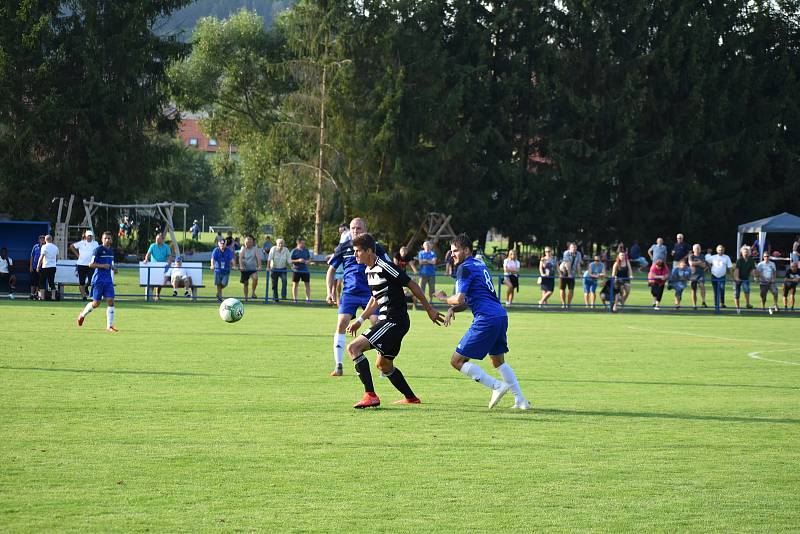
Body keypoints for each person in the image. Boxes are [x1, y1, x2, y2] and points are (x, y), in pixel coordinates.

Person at [345, 233, 444, 408]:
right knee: (383, 365)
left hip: (394, 320)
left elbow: (411, 284)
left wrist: (429, 309)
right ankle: (411, 398)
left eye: (358, 251)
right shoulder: (369, 270)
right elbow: (376, 298)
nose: (355, 255)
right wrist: (360, 319)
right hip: (391, 321)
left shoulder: (384, 266)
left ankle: (370, 395)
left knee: (353, 348)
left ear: (368, 251)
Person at [434, 234, 530, 410]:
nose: (452, 254)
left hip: (486, 318)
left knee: (456, 361)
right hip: (500, 315)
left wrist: (444, 299)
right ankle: (521, 400)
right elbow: (469, 300)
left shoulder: (464, 268)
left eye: (456, 251)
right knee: (498, 361)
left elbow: (459, 298)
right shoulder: (479, 264)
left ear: (467, 250)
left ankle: (497, 386)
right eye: (451, 251)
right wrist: (453, 308)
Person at [326, 218, 391, 377]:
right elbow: (331, 270)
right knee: (341, 322)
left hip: (371, 292)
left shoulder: (375, 247)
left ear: (365, 229)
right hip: (349, 293)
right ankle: (339, 366)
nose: (356, 231)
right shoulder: (343, 248)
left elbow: (389, 266)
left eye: (359, 228)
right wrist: (329, 292)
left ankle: (382, 365)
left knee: (378, 323)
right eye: (353, 228)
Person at [76, 231, 118, 332]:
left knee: (111, 301)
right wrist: (102, 266)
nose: (107, 240)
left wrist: (113, 268)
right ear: (102, 240)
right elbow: (91, 264)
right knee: (96, 303)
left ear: (111, 240)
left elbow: (109, 264)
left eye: (109, 238)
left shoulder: (111, 251)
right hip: (98, 280)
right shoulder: (98, 250)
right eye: (105, 238)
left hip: (108, 280)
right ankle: (82, 315)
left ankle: (109, 326)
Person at [143, 232, 176, 301]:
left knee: (160, 281)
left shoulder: (166, 246)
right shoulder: (153, 245)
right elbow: (148, 254)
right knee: (152, 280)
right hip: (153, 266)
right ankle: (150, 297)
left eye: (159, 239)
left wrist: (169, 261)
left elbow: (169, 256)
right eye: (156, 239)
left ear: (162, 240)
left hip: (162, 266)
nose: (157, 240)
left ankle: (157, 295)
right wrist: (146, 259)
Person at [69, 230, 97, 301]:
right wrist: (77, 255)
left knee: (92, 280)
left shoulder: (95, 243)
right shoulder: (81, 243)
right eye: (88, 236)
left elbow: (98, 251)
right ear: (86, 236)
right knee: (82, 281)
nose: (89, 238)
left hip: (91, 265)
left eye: (91, 236)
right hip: (81, 264)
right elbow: (71, 246)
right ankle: (83, 296)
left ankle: (86, 287)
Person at [706, 245, 733, 311]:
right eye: (719, 250)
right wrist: (709, 267)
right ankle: (716, 305)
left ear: (724, 250)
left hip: (722, 276)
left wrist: (732, 276)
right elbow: (707, 260)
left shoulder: (726, 257)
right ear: (716, 250)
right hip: (714, 276)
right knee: (715, 291)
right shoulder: (713, 257)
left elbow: (730, 267)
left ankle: (722, 303)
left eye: (722, 250)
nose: (720, 251)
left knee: (722, 289)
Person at [211, 238, 235, 302]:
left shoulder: (228, 251)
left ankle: (218, 292)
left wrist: (234, 266)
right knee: (218, 284)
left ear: (225, 244)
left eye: (223, 244)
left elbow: (232, 259)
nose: (222, 245)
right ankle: (220, 298)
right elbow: (213, 259)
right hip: (217, 271)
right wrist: (212, 265)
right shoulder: (216, 250)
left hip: (226, 271)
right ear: (218, 244)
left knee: (224, 284)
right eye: (221, 243)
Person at [559, 242, 582, 309]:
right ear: (570, 248)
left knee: (571, 289)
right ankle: (563, 304)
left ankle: (569, 304)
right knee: (562, 288)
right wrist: (569, 274)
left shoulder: (578, 254)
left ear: (576, 248)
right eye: (572, 247)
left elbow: (578, 264)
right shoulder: (566, 253)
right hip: (564, 271)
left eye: (575, 247)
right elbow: (567, 263)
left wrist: (580, 273)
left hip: (572, 272)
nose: (573, 249)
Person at [36, 234, 59, 301]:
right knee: (51, 282)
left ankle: (42, 297)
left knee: (42, 282)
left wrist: (38, 266)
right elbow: (57, 258)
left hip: (45, 266)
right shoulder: (55, 247)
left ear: (45, 240)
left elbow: (41, 257)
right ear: (51, 240)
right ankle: (53, 297)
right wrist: (54, 263)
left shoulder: (44, 247)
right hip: (53, 267)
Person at [733, 245, 756, 313]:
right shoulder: (739, 260)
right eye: (744, 252)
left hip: (745, 278)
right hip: (737, 278)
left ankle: (747, 304)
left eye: (747, 252)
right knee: (736, 293)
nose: (746, 253)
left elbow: (753, 270)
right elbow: (737, 270)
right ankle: (737, 308)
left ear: (749, 253)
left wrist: (755, 277)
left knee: (746, 289)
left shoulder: (751, 260)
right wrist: (737, 278)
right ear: (741, 253)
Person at [239, 235, 261, 301]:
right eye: (247, 242)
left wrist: (259, 266)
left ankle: (253, 292)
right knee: (246, 283)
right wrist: (241, 266)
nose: (248, 243)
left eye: (250, 241)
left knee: (255, 278)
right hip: (245, 268)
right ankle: (246, 297)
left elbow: (258, 258)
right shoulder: (243, 248)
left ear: (252, 242)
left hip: (252, 268)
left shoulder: (255, 248)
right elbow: (240, 258)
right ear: (245, 242)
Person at [290, 237, 312, 302]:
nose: (303, 245)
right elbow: (290, 260)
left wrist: (308, 261)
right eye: (302, 243)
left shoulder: (306, 250)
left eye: (304, 243)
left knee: (307, 284)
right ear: (298, 243)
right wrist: (298, 260)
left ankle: (308, 299)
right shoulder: (294, 251)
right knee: (295, 284)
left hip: (305, 270)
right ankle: (295, 299)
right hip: (296, 270)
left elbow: (309, 259)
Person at [688, 243, 708, 309]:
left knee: (702, 286)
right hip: (693, 275)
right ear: (693, 249)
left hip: (700, 274)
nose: (697, 249)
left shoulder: (702, 256)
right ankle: (694, 305)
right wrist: (699, 262)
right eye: (696, 248)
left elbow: (704, 265)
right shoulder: (691, 256)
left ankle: (703, 302)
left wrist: (696, 263)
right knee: (693, 290)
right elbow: (691, 263)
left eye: (699, 248)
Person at [29, 235, 45, 300]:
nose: (41, 240)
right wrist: (30, 266)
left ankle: (36, 294)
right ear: (38, 240)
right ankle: (32, 294)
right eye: (40, 239)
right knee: (33, 281)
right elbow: (32, 256)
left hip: (42, 268)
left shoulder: (45, 247)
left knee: (39, 282)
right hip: (34, 267)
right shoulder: (35, 246)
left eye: (43, 239)